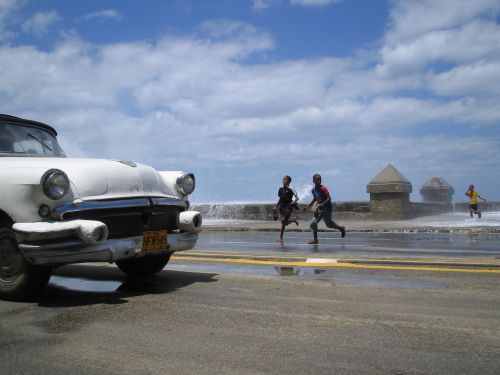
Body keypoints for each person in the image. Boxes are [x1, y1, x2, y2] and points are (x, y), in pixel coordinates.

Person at [304, 174, 345, 244]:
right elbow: (315, 198)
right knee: (313, 223)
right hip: (319, 209)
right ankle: (315, 240)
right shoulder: (313, 190)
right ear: (313, 180)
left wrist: (322, 204)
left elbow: (329, 198)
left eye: (320, 180)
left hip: (327, 208)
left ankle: (341, 228)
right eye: (317, 180)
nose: (319, 181)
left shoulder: (323, 188)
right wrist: (308, 206)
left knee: (328, 224)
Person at [273, 175, 299, 243]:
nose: (283, 180)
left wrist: (293, 202)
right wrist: (276, 206)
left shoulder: (291, 188)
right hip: (282, 207)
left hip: (289, 206)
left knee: (283, 220)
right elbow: (280, 199)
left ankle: (281, 238)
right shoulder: (280, 189)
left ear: (289, 181)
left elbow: (297, 198)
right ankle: (293, 220)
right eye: (283, 179)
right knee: (284, 223)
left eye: (285, 179)